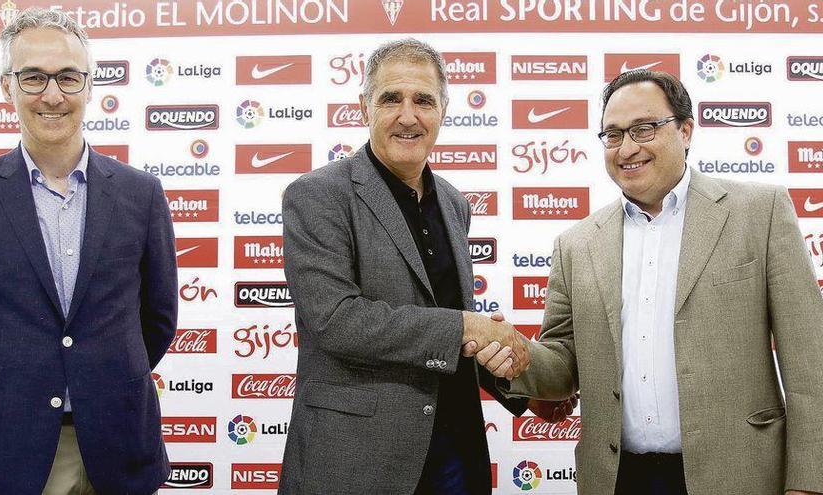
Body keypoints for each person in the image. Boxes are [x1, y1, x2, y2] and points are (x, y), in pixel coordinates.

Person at [470, 69, 823, 495]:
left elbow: (811, 365)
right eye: (614, 135)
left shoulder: (760, 213)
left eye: (645, 129)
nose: (628, 148)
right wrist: (519, 355)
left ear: (686, 131)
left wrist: (808, 483)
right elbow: (564, 363)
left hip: (742, 474)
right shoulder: (575, 244)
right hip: (618, 479)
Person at [278, 39, 531, 495]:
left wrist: (506, 367)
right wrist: (464, 329)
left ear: (444, 111)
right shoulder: (316, 195)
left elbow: (448, 318)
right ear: (363, 108)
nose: (408, 116)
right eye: (391, 99)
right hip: (356, 462)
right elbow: (336, 320)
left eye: (423, 101)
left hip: (457, 448)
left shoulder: (454, 203)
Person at [0, 8, 177, 494]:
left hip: (120, 446)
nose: (53, 94)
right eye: (33, 77)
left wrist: (100, 385)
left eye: (69, 77)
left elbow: (157, 320)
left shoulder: (141, 194)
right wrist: (0, 399)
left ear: (90, 86)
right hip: (9, 450)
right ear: (7, 87)